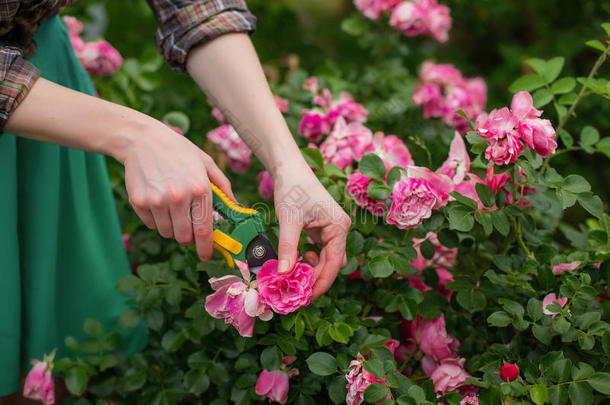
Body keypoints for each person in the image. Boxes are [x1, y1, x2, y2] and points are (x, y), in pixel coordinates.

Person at [0, 0, 350, 402]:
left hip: (50, 101)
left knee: (47, 359)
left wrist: (289, 165)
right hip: (42, 109)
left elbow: (196, 7)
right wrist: (134, 136)